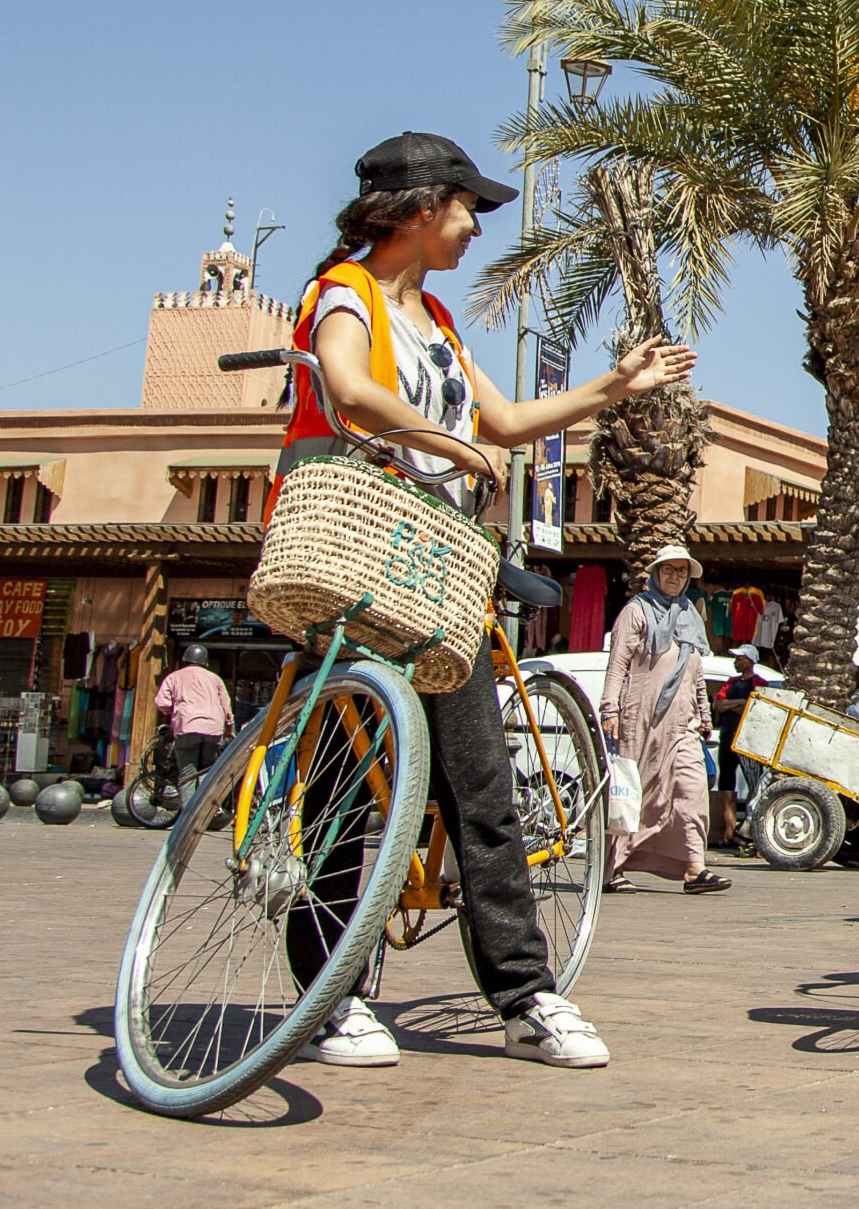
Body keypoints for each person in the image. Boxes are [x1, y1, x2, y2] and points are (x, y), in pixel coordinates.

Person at [283, 131, 696, 1072]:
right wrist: (453, 443)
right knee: (349, 788)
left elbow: (505, 420)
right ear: (420, 209)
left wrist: (614, 386)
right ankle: (328, 994)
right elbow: (346, 386)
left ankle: (525, 995)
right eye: (467, 208)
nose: (474, 227)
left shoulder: (433, 318)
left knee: (482, 786)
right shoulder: (345, 295)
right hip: (357, 557)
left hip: (438, 572)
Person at [602, 544, 731, 895]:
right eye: (669, 570)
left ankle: (695, 868)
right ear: (656, 573)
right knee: (639, 793)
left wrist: (704, 714)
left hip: (684, 723)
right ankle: (613, 867)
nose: (675, 577)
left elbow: (695, 669)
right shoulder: (637, 611)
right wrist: (609, 709)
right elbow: (617, 664)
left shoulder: (689, 613)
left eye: (681, 572)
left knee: (692, 789)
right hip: (641, 716)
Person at [153, 644, 233, 807]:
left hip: (187, 727)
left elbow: (162, 703)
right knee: (206, 770)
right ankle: (208, 809)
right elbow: (227, 708)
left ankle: (188, 814)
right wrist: (229, 729)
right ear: (205, 661)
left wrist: (172, 711)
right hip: (213, 729)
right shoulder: (215, 679)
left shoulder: (174, 677)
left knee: (188, 774)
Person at [717, 641, 770, 826]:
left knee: (754, 783)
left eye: (740, 659)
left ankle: (752, 825)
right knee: (726, 782)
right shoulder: (731, 682)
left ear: (749, 661)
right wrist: (740, 702)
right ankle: (727, 828)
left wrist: (732, 705)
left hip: (748, 740)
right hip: (727, 735)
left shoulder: (760, 683)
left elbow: (754, 709)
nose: (736, 662)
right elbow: (718, 705)